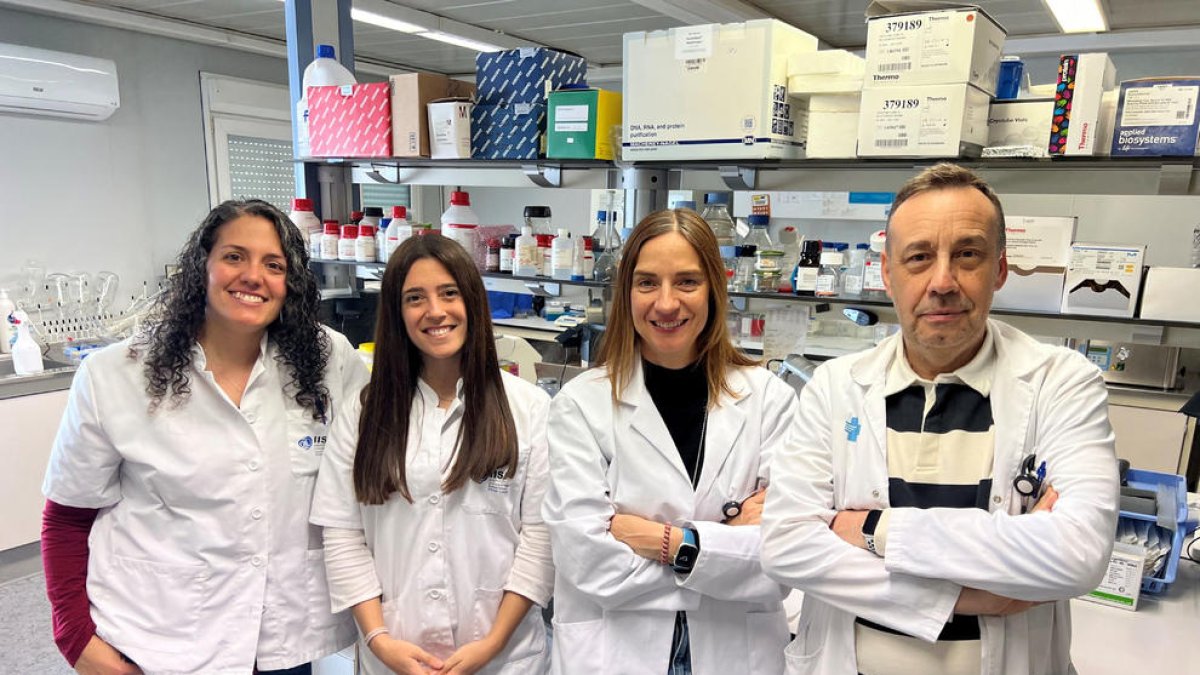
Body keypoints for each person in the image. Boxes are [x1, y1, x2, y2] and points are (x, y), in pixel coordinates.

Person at [760, 163, 1119, 675]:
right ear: (888, 273)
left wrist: (873, 532)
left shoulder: (1061, 381)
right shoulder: (837, 386)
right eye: (919, 257)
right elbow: (785, 547)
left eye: (967, 254)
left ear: (999, 269)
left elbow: (1079, 555)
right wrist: (963, 598)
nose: (943, 281)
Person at [41, 199, 369, 674]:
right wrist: (74, 638)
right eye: (234, 256)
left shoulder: (328, 359)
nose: (253, 276)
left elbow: (369, 475)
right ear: (202, 266)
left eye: (273, 264)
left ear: (290, 283)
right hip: (158, 638)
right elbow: (67, 518)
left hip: (281, 637)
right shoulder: (115, 374)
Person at [542, 208, 794, 675]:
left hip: (735, 653)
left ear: (714, 289)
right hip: (616, 649)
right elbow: (588, 562)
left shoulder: (769, 400)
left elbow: (782, 558)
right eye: (647, 283)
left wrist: (654, 538)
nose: (665, 303)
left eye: (686, 282)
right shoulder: (581, 405)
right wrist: (723, 547)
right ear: (627, 291)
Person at [310, 234, 554, 675]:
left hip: (505, 660)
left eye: (449, 293)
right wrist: (379, 641)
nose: (435, 311)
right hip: (394, 655)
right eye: (415, 298)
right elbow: (343, 536)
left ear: (473, 303)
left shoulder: (529, 408)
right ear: (397, 313)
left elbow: (540, 539)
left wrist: (492, 643)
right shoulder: (363, 413)